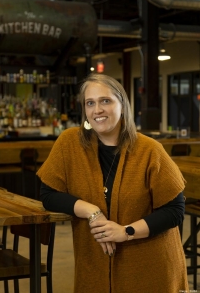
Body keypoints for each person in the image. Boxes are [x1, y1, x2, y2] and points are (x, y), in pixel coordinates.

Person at [37, 73, 189, 293]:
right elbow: (48, 194)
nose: (97, 109)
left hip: (151, 266)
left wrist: (125, 231)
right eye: (90, 103)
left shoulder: (150, 150)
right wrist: (92, 212)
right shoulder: (69, 143)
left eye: (105, 101)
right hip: (94, 265)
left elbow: (175, 210)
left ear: (122, 105)